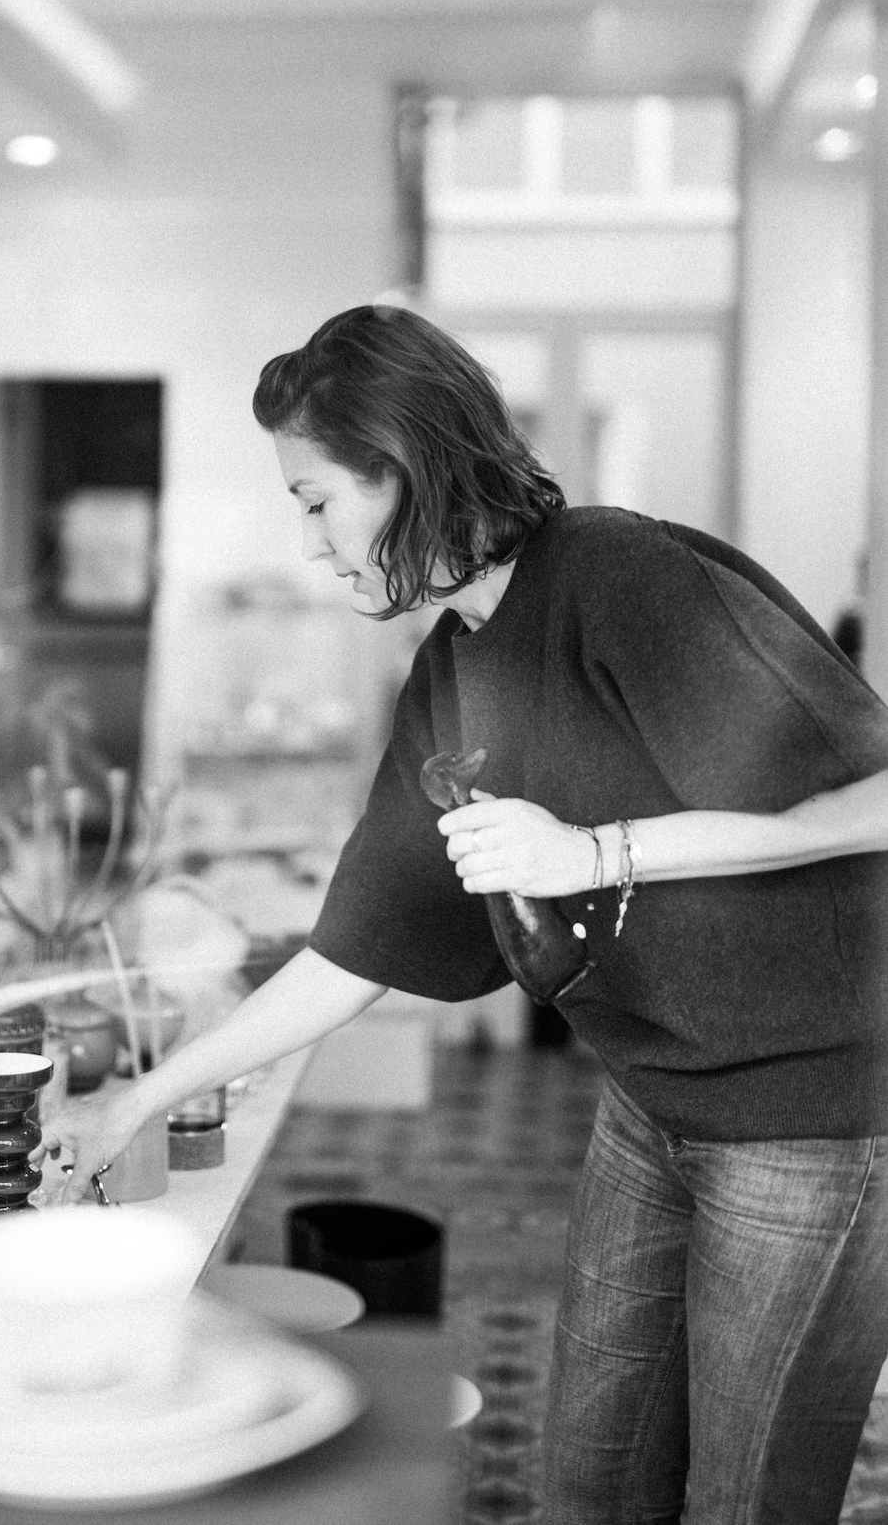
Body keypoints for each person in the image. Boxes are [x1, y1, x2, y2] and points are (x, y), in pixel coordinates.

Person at [54, 304, 888, 1524]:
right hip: (656, 1097)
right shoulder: (452, 665)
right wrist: (138, 1094)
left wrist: (596, 851)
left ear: (401, 470)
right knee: (590, 1485)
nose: (310, 539)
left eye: (314, 497)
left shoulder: (617, 574)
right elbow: (355, 949)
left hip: (813, 1114)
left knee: (745, 1499)